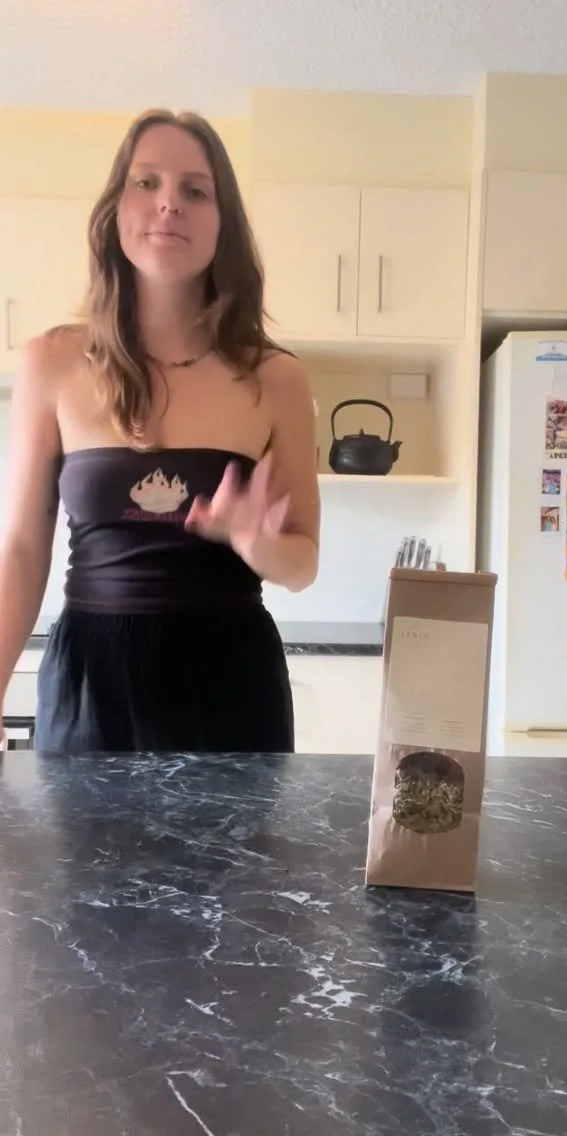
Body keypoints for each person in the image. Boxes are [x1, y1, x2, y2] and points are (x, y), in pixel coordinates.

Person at [0, 109, 320, 754]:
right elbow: (23, 550)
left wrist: (255, 541)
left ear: (223, 224)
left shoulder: (277, 378)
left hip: (231, 680)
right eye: (146, 182)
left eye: (195, 190)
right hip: (91, 682)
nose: (169, 202)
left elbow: (303, 562)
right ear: (115, 208)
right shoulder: (50, 361)